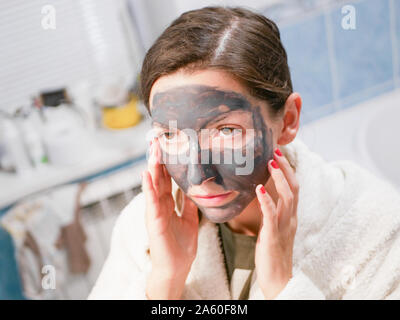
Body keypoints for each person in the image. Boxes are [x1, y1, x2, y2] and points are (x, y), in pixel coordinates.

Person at [88, 6, 400, 300]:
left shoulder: (377, 228)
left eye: (226, 131)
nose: (199, 176)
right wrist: (165, 279)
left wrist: (282, 285)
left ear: (288, 120)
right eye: (170, 135)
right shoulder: (140, 228)